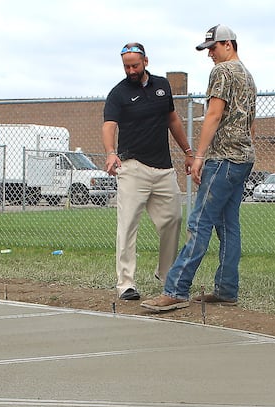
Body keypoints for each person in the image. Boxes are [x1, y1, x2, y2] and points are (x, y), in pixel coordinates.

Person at [141, 24, 256, 312]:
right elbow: (249, 121)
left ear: (229, 44)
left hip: (222, 158)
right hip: (242, 157)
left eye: (213, 48)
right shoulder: (248, 75)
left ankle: (176, 289)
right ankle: (227, 289)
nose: (210, 55)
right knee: (229, 226)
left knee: (199, 223)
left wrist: (199, 156)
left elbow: (214, 114)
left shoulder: (223, 72)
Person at [102, 42, 194, 301]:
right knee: (128, 225)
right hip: (132, 167)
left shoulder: (162, 86)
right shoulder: (118, 93)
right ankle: (126, 283)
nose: (130, 70)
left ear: (146, 62)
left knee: (173, 221)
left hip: (163, 169)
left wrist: (188, 151)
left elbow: (173, 120)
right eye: (126, 66)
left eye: (135, 65)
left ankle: (167, 275)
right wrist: (111, 152)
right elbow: (109, 125)